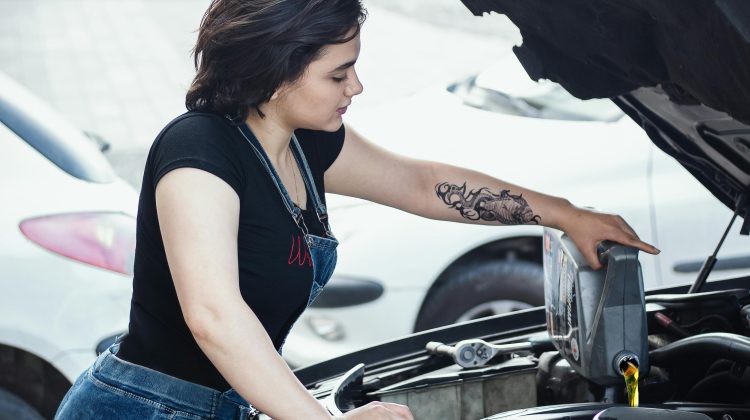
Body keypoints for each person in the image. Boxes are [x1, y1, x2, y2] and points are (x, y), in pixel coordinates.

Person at [54, 0, 659, 419]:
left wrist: (564, 214)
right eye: (339, 73)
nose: (357, 87)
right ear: (276, 70)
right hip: (141, 408)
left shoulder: (303, 141)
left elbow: (421, 184)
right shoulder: (198, 153)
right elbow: (215, 316)